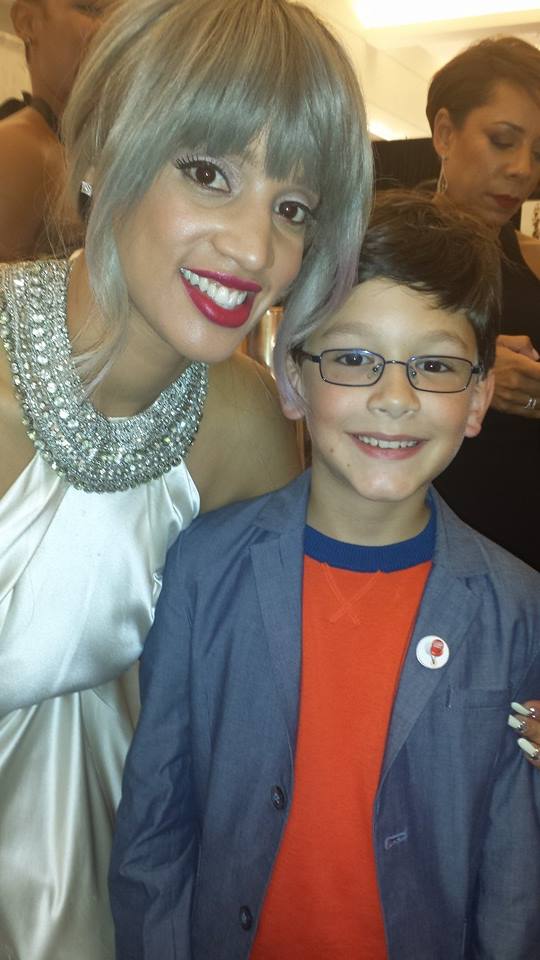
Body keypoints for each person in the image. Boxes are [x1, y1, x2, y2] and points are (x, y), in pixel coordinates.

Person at [0, 1, 372, 958]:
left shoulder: (246, 426)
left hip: (102, 893)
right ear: (99, 156)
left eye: (294, 209)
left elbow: (244, 715)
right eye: (208, 173)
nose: (257, 251)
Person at [109, 192, 540, 960]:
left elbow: (512, 877)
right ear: (292, 379)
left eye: (436, 366)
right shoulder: (206, 567)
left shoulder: (517, 607)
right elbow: (156, 823)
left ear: (477, 399)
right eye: (351, 358)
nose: (395, 399)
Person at [424, 37, 540, 571]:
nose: (522, 169)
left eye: (538, 152)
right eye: (502, 140)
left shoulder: (532, 263)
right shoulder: (381, 250)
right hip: (434, 526)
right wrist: (474, 371)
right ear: (445, 132)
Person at [0, 0, 104, 260]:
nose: (110, 29)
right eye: (90, 9)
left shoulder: (76, 152)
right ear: (28, 22)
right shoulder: (20, 149)